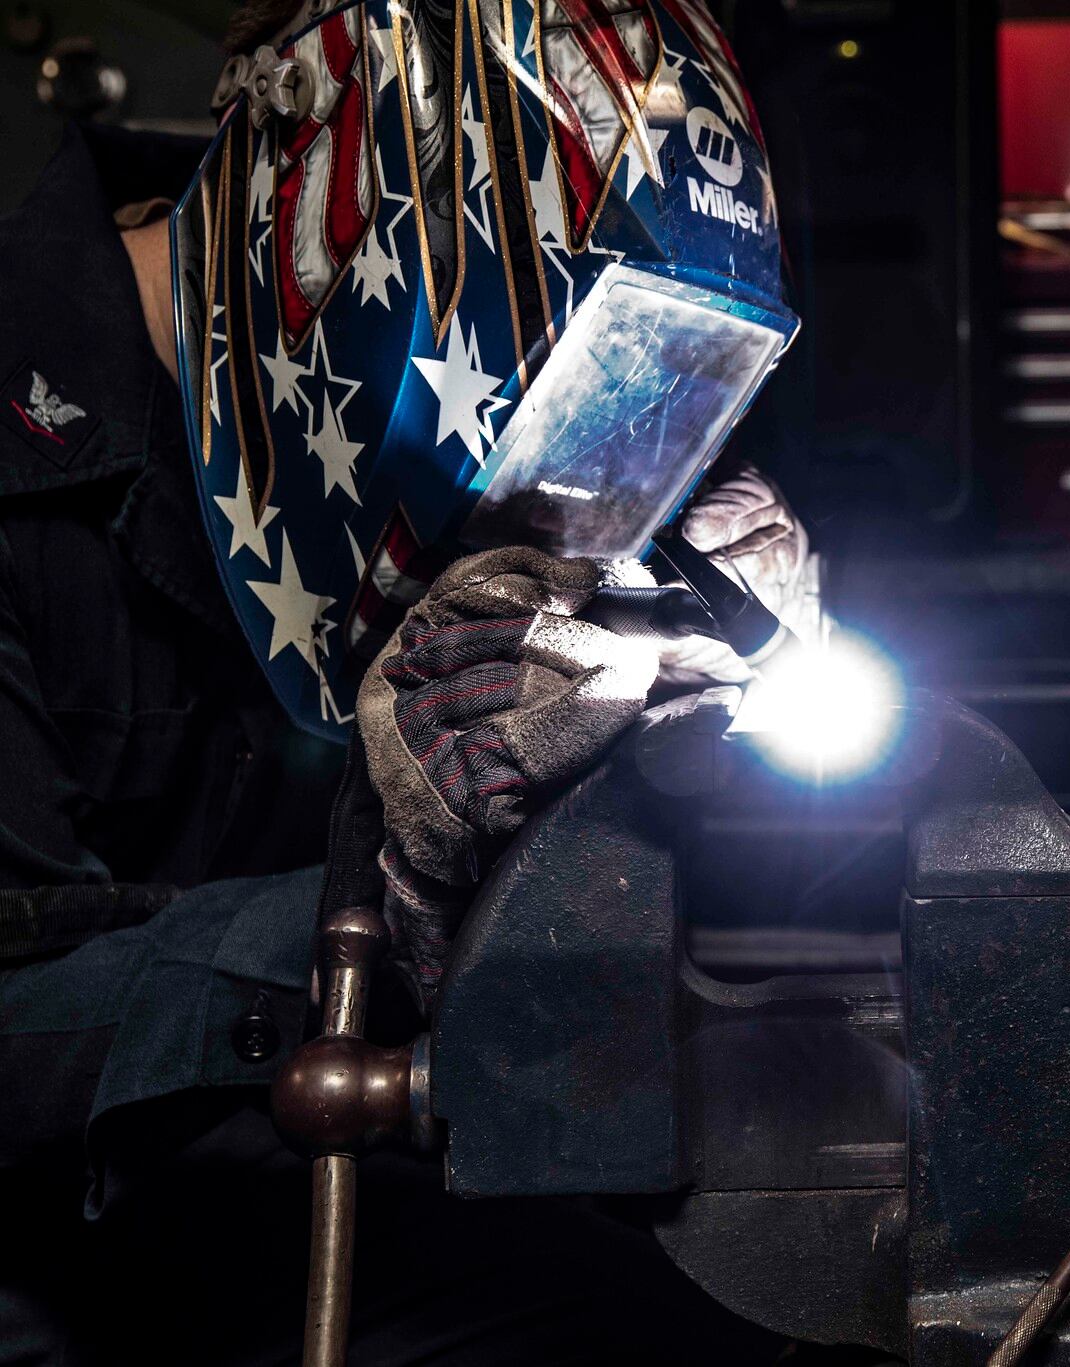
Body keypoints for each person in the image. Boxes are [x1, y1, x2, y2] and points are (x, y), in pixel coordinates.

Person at [0, 1, 823, 1360]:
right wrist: (365, 901)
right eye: (535, 385)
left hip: (298, 1183)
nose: (525, 483)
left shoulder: (395, 403)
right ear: (330, 232)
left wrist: (659, 677)